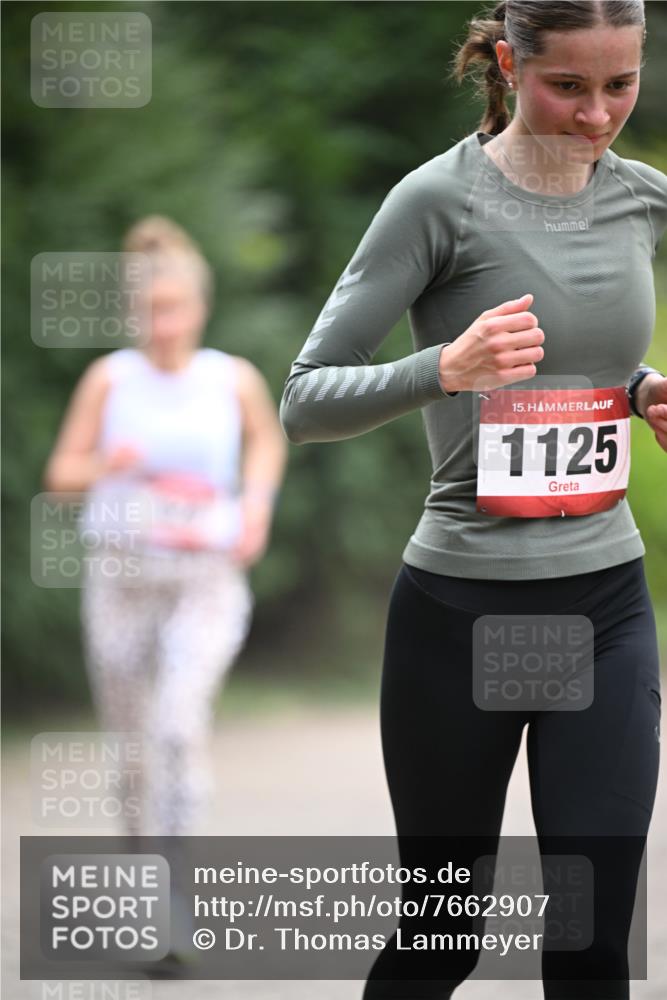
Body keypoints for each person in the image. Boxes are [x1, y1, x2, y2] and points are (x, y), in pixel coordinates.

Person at [280, 2, 666, 997]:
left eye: (618, 84)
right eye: (566, 86)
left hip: (605, 610)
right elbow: (303, 399)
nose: (596, 114)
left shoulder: (644, 202)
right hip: (459, 614)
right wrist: (440, 369)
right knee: (440, 940)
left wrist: (639, 393)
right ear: (507, 61)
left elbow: (578, 364)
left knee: (588, 945)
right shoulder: (433, 202)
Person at [44, 215, 287, 838]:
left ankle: (176, 886)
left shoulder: (231, 378)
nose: (164, 325)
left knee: (178, 725)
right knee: (129, 746)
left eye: (175, 308)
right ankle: (140, 862)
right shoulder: (110, 379)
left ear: (200, 306)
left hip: (205, 574)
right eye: (150, 311)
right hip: (122, 572)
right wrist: (105, 464)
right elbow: (59, 476)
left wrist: (256, 505)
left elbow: (267, 442)